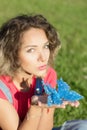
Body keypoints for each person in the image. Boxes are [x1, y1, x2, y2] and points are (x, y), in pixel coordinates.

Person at [0, 14, 87, 130]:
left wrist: (49, 105)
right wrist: (35, 107)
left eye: (45, 46)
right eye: (31, 50)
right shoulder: (2, 89)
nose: (43, 57)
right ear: (11, 54)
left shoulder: (47, 75)